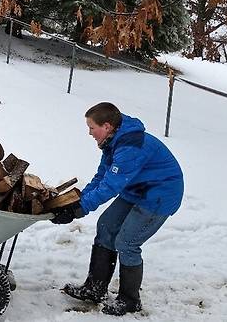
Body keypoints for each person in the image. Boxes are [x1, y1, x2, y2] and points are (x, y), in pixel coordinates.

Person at [51, 102, 183, 316]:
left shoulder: (130, 147)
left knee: (127, 242)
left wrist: (79, 210)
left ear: (106, 125)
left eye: (92, 127)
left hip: (159, 196)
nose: (90, 133)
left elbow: (111, 185)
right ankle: (95, 289)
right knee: (106, 226)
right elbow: (102, 177)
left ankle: (130, 300)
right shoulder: (114, 141)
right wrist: (76, 201)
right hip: (137, 190)